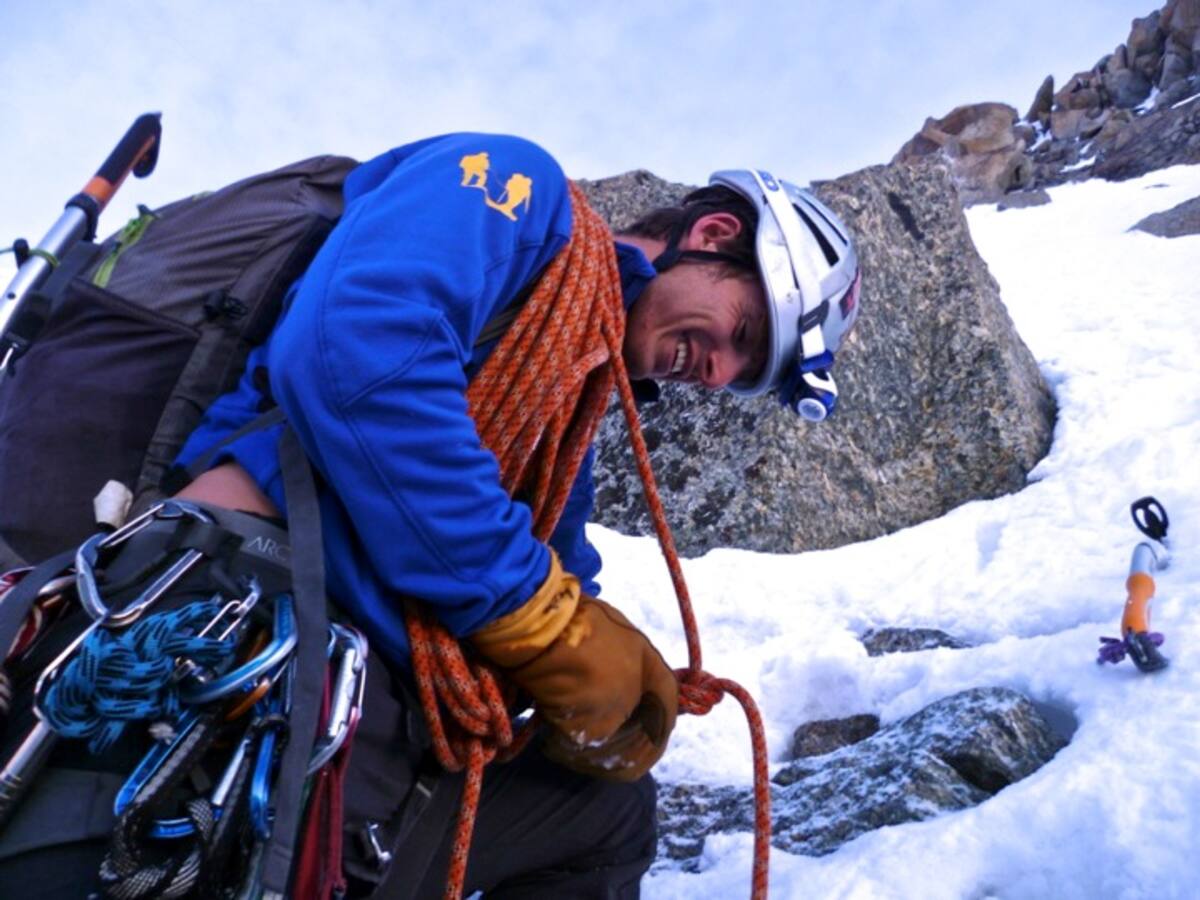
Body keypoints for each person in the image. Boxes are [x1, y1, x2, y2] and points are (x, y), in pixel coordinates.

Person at [167, 133, 861, 898]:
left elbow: (551, 550)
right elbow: (354, 348)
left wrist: (610, 661)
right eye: (745, 333)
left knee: (606, 816)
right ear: (715, 236)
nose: (720, 372)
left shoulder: (572, 395)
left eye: (745, 373)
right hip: (256, 600)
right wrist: (533, 616)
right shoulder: (513, 190)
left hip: (371, 698)